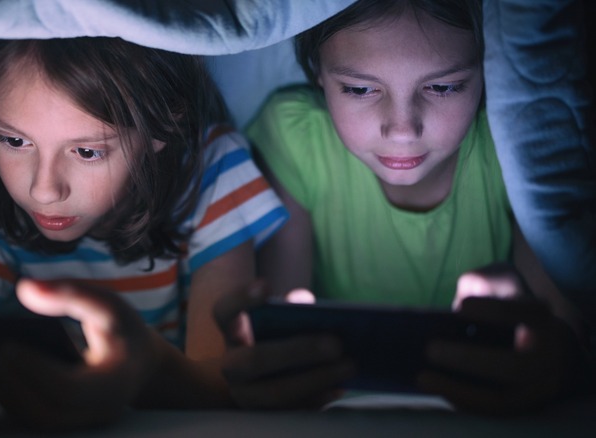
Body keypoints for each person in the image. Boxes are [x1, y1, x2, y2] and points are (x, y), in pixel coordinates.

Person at [215, 0, 592, 413]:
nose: (402, 129)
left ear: (489, 72)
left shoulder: (513, 145)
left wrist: (556, 363)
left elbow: (561, 327)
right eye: (360, 89)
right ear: (318, 73)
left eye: (444, 86)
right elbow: (282, 330)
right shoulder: (294, 138)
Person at [0, 35, 286, 429]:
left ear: (160, 125)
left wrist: (147, 368)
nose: (44, 190)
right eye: (15, 140)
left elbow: (225, 379)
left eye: (88, 151)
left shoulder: (211, 174)